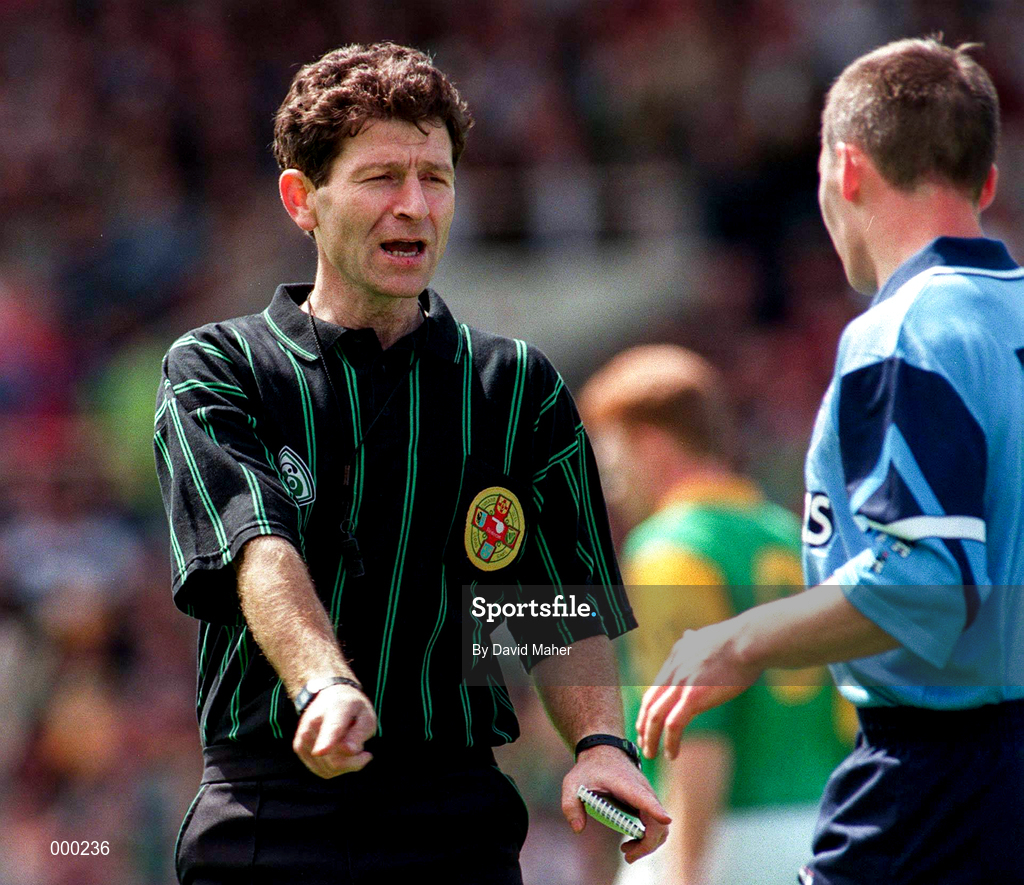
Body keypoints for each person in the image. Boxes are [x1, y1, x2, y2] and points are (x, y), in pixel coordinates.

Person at [154, 42, 668, 885]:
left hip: (456, 819)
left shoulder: (518, 388)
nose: (414, 206)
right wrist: (322, 686)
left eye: (436, 177)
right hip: (270, 810)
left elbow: (551, 609)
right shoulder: (219, 368)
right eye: (380, 177)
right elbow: (258, 550)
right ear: (302, 200)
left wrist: (600, 745)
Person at [636, 36, 1024, 884]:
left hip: (937, 787)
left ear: (845, 171)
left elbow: (929, 582)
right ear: (986, 182)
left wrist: (738, 641)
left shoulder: (910, 330)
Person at [578, 345, 853, 885]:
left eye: (611, 453)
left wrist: (684, 873)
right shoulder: (787, 533)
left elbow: (694, 730)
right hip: (824, 827)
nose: (608, 481)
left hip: (724, 841)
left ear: (651, 443)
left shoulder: (668, 547)